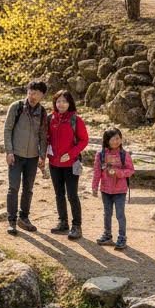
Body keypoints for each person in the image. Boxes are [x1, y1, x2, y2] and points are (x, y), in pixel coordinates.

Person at [3, 80, 48, 236]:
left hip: (33, 157)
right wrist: (9, 151)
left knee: (28, 190)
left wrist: (43, 156)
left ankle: (24, 218)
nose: (32, 95)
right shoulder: (16, 107)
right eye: (30, 92)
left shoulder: (42, 112)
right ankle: (12, 221)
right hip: (15, 155)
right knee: (13, 188)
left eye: (35, 93)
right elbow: (7, 129)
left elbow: (43, 136)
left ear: (42, 95)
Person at [46, 89, 89, 240]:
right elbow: (45, 138)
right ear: (55, 103)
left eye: (64, 101)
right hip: (54, 163)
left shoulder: (76, 120)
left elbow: (84, 140)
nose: (61, 104)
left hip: (71, 164)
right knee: (59, 194)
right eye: (58, 101)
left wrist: (70, 154)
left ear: (69, 103)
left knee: (72, 195)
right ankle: (63, 222)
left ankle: (76, 226)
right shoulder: (50, 118)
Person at [91, 127, 134, 250]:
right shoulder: (101, 155)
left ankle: (122, 237)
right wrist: (94, 186)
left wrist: (118, 172)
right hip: (105, 189)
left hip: (120, 190)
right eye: (113, 139)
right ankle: (107, 235)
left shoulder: (124, 155)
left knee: (120, 214)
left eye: (118, 138)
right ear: (107, 140)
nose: (116, 141)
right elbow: (97, 172)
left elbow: (130, 170)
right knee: (107, 214)